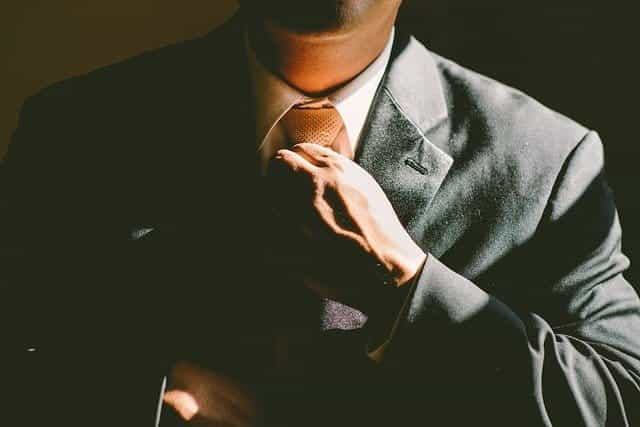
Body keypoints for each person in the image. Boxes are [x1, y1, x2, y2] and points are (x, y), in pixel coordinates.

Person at [3, 0, 640, 426]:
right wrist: (134, 393)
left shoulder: (546, 160)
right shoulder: (76, 130)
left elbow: (619, 398)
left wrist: (406, 282)